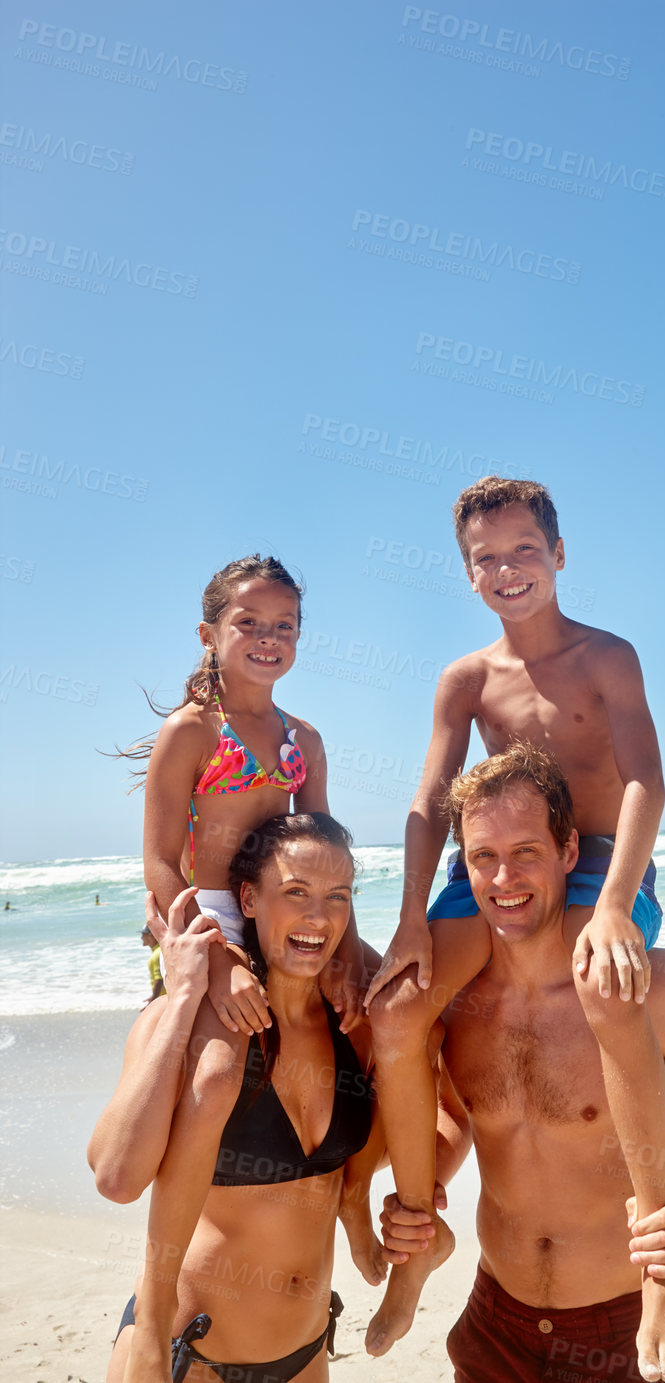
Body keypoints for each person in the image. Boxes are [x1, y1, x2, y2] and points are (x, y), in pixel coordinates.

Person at [364, 480, 665, 1377]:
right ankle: (418, 1242)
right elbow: (432, 800)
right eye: (486, 557)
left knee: (600, 983)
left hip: (596, 865)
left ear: (558, 553)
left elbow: (645, 782)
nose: (507, 570)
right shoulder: (467, 679)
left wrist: (616, 902)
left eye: (523, 550)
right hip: (502, 868)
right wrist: (410, 924)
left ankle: (658, 1257)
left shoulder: (606, 655)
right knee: (395, 1012)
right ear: (466, 572)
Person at [378, 746, 665, 1383]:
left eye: (525, 852)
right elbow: (464, 1115)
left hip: (627, 1331)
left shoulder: (656, 991)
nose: (503, 880)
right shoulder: (458, 1000)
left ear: (568, 853)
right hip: (496, 1323)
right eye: (484, 857)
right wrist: (421, 1195)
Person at [89, 813, 392, 1383]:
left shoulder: (354, 1026)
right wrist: (180, 1000)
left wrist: (367, 1208)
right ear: (248, 898)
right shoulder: (201, 1026)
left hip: (305, 1356)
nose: (317, 917)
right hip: (184, 1355)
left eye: (338, 897)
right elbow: (116, 1174)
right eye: (295, 892)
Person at [115, 555, 366, 1039]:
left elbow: (329, 860)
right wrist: (215, 958)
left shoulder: (304, 739)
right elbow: (161, 864)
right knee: (221, 1067)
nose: (268, 637)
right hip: (208, 916)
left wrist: (348, 955)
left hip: (284, 908)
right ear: (209, 635)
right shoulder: (192, 730)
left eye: (284, 625)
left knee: (389, 1006)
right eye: (248, 623)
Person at [141, 927, 164, 1005]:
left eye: (143, 934)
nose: (141, 938)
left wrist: (153, 1001)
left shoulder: (157, 954)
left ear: (150, 935)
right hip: (163, 998)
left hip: (163, 1000)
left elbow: (159, 980)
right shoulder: (159, 950)